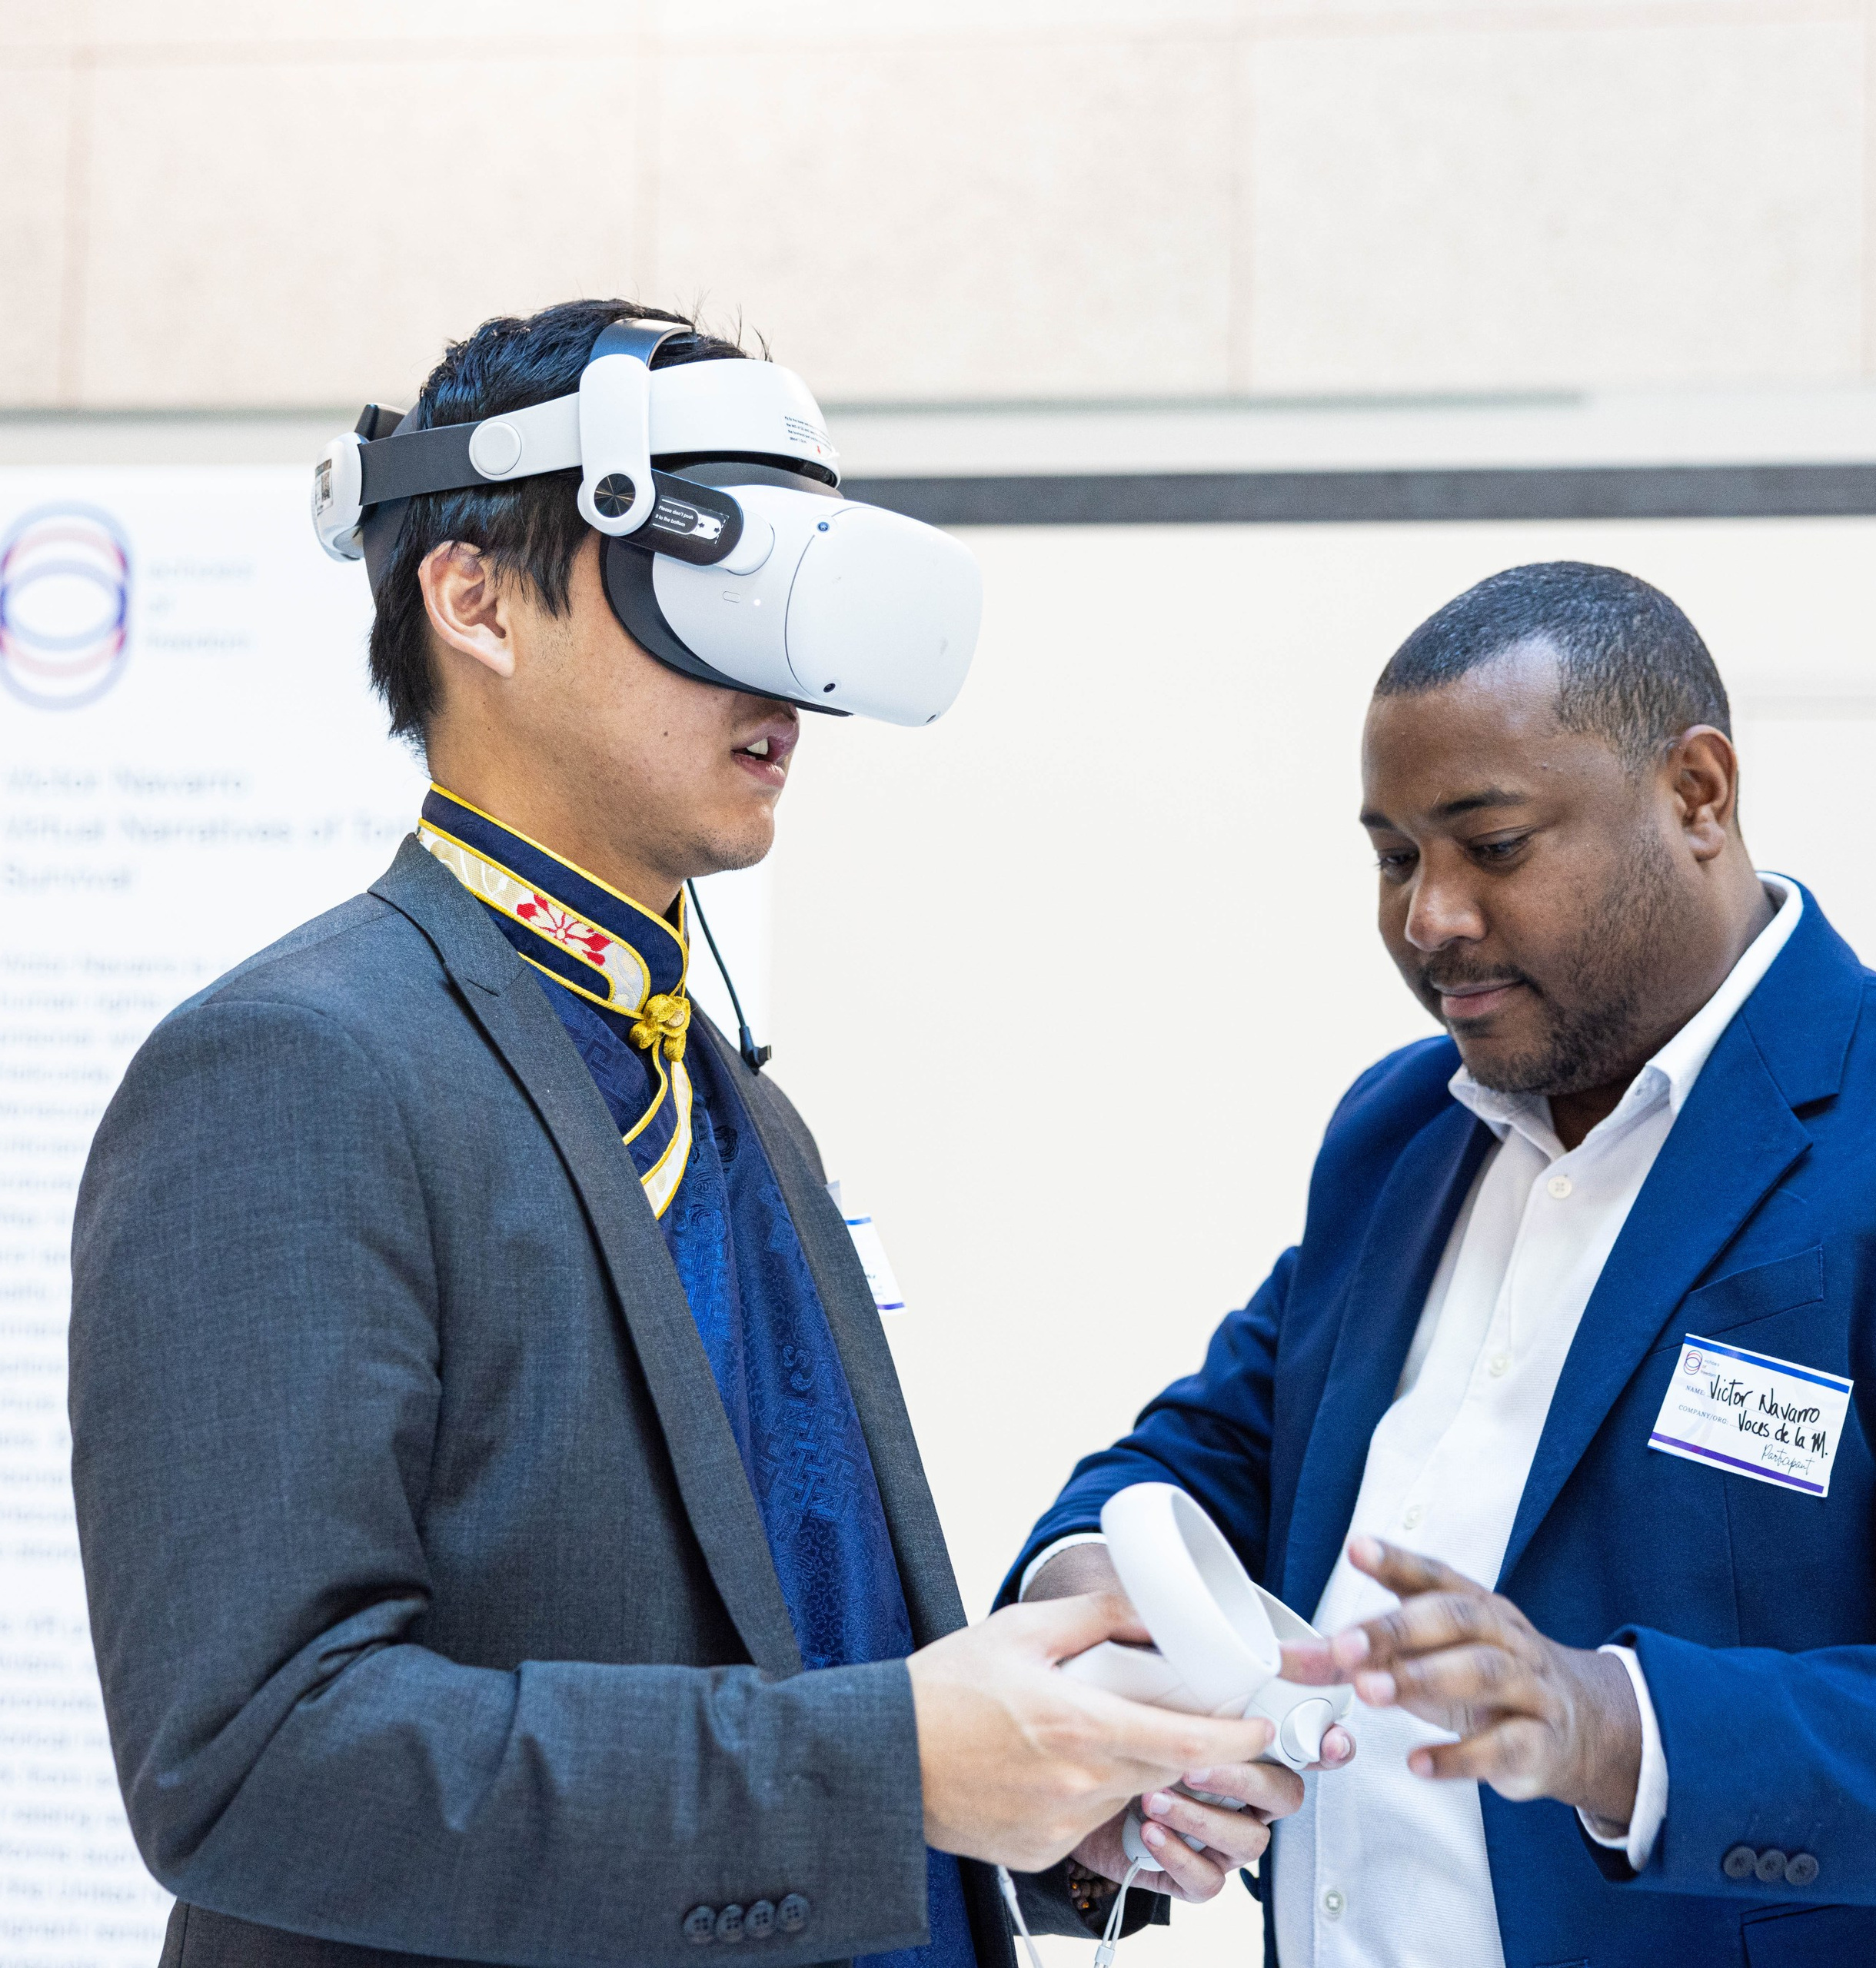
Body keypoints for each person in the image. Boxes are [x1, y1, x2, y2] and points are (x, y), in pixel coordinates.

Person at [66, 299, 1280, 1968]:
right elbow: (255, 1756)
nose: (782, 682)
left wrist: (1041, 1799)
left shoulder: (731, 1103)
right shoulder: (294, 1068)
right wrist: (891, 1766)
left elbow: (792, 1647)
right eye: (711, 588)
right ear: (474, 598)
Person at [1010, 561, 1876, 1968]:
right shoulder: (1401, 1130)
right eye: (1395, 856)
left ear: (1697, 796)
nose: (1429, 918)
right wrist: (1103, 1623)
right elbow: (1202, 1456)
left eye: (1493, 845)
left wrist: (1607, 1726)